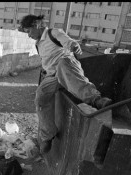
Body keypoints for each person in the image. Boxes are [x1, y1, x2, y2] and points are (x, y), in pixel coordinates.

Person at [20, 15, 112, 154]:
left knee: (63, 64)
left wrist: (73, 45)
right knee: (40, 97)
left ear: (36, 25)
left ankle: (96, 99)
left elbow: (68, 41)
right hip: (53, 76)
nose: (28, 35)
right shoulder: (38, 44)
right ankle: (48, 135)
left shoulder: (54, 33)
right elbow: (46, 63)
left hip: (67, 66)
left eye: (28, 31)